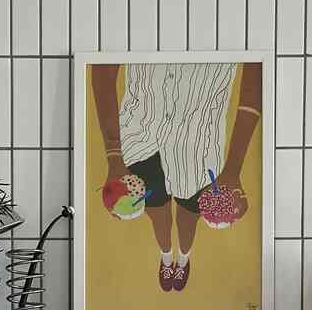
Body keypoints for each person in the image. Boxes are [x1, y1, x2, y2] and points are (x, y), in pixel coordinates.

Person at [91, 61, 262, 292]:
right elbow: (103, 68)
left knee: (188, 216)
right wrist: (113, 154)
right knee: (157, 213)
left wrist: (232, 170)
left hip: (199, 145)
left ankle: (182, 260)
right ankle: (166, 256)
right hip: (141, 136)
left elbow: (254, 79)